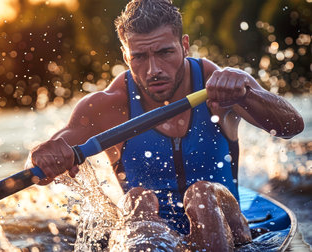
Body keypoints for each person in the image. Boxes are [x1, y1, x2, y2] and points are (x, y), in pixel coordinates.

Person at [26, 0, 304, 250]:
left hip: (229, 229)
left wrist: (248, 93)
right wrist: (43, 157)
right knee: (137, 200)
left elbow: (292, 126)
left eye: (164, 53)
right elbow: (38, 169)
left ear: (184, 45)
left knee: (201, 195)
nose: (153, 70)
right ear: (126, 57)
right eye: (139, 57)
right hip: (154, 237)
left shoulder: (219, 84)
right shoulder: (106, 105)